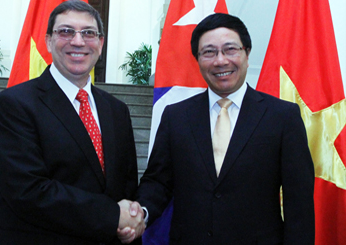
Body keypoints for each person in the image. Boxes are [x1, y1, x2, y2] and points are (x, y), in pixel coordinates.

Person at [133, 13, 315, 244]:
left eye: (230, 49)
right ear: (197, 60)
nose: (220, 61)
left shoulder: (282, 116)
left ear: (247, 54)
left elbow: (298, 201)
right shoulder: (175, 116)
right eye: (209, 52)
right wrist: (141, 214)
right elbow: (158, 182)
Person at [0, 1, 144, 244]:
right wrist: (114, 216)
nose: (78, 42)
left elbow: (126, 187)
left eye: (88, 33)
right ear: (49, 41)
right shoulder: (13, 105)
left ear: (101, 44)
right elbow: (28, 191)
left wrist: (132, 222)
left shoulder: (117, 110)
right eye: (66, 31)